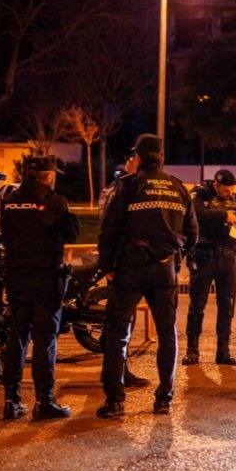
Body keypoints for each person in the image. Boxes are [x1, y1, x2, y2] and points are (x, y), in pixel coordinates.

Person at [96, 134, 198, 418]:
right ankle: (164, 399)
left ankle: (115, 401)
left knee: (117, 335)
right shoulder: (178, 187)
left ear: (138, 157)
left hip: (130, 268)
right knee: (167, 334)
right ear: (161, 157)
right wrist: (176, 259)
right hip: (164, 269)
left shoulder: (127, 186)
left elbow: (108, 229)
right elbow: (193, 233)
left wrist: (108, 266)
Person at [0, 155, 80, 420]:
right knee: (45, 340)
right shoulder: (53, 201)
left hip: (16, 277)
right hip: (45, 279)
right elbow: (72, 233)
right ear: (48, 176)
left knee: (17, 337)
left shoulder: (9, 202)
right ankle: (44, 401)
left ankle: (11, 401)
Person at [183, 169, 236, 365]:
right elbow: (197, 213)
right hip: (204, 255)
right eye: (225, 189)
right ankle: (192, 351)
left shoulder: (234, 197)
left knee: (226, 306)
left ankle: (223, 351)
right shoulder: (200, 193)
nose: (229, 193)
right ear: (216, 184)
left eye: (232, 189)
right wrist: (224, 215)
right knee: (197, 305)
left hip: (228, 256)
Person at [96, 150, 149, 388]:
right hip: (121, 263)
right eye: (136, 160)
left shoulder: (127, 188)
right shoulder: (119, 188)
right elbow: (106, 226)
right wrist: (108, 264)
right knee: (119, 323)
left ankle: (116, 369)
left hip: (126, 262)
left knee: (121, 322)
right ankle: (116, 372)